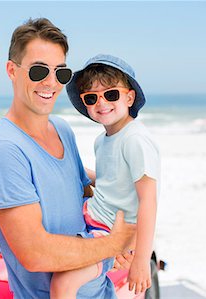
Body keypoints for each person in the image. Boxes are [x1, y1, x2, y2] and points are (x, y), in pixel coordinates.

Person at [0, 18, 136, 299]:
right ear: (11, 71)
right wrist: (115, 244)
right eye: (39, 70)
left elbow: (81, 189)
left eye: (61, 73)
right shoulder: (4, 152)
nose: (51, 83)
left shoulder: (62, 129)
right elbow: (36, 253)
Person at [51, 54, 160, 297]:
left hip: (111, 231)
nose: (102, 103)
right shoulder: (103, 140)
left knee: (63, 283)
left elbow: (148, 201)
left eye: (111, 94)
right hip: (90, 213)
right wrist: (73, 171)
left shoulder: (135, 140)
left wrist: (141, 260)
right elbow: (113, 181)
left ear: (129, 97)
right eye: (92, 98)